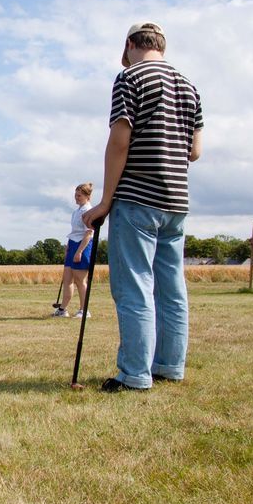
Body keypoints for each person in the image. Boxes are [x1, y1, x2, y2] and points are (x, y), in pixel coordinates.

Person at [83, 22, 204, 392]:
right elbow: (195, 151)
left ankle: (135, 373)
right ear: (162, 46)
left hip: (137, 198)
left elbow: (119, 141)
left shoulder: (130, 77)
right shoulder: (189, 86)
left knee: (134, 285)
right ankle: (169, 364)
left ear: (131, 44)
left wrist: (105, 200)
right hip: (176, 201)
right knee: (171, 288)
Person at [52, 183, 95, 319]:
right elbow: (75, 231)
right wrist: (69, 247)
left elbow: (88, 233)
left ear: (87, 196)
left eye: (79, 195)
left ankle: (84, 310)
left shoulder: (88, 211)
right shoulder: (77, 211)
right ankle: (63, 309)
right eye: (75, 195)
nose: (76, 198)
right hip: (73, 243)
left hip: (83, 246)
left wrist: (79, 251)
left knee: (80, 280)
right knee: (68, 279)